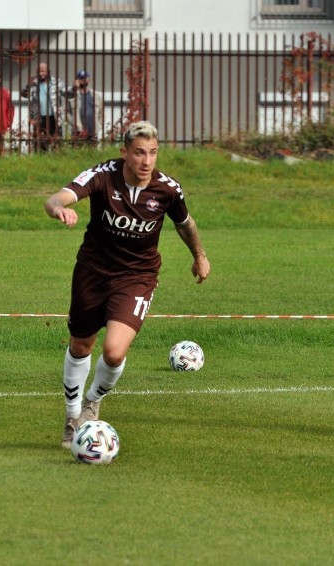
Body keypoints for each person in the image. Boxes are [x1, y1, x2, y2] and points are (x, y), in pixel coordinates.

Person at [44, 121, 211, 449]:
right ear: (124, 153)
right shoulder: (102, 175)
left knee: (114, 351)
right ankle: (71, 414)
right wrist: (58, 209)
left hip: (137, 276)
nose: (147, 161)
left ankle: (91, 405)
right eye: (139, 153)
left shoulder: (167, 189)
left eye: (152, 152)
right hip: (92, 270)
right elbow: (56, 198)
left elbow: (184, 223)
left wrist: (200, 256)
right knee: (81, 345)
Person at [20, 61, 71, 151]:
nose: (41, 74)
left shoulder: (56, 82)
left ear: (48, 71)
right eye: (39, 71)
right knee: (40, 143)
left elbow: (68, 93)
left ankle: (57, 160)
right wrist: (29, 85)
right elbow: (24, 95)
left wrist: (74, 87)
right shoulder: (34, 84)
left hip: (54, 118)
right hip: (39, 118)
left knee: (56, 142)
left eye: (43, 71)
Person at [69, 70, 103, 142]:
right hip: (78, 132)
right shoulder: (73, 95)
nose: (83, 80)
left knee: (92, 152)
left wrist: (100, 125)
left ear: (88, 79)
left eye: (85, 78)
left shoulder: (96, 95)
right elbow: (69, 113)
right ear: (77, 81)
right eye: (81, 78)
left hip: (93, 132)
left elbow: (101, 112)